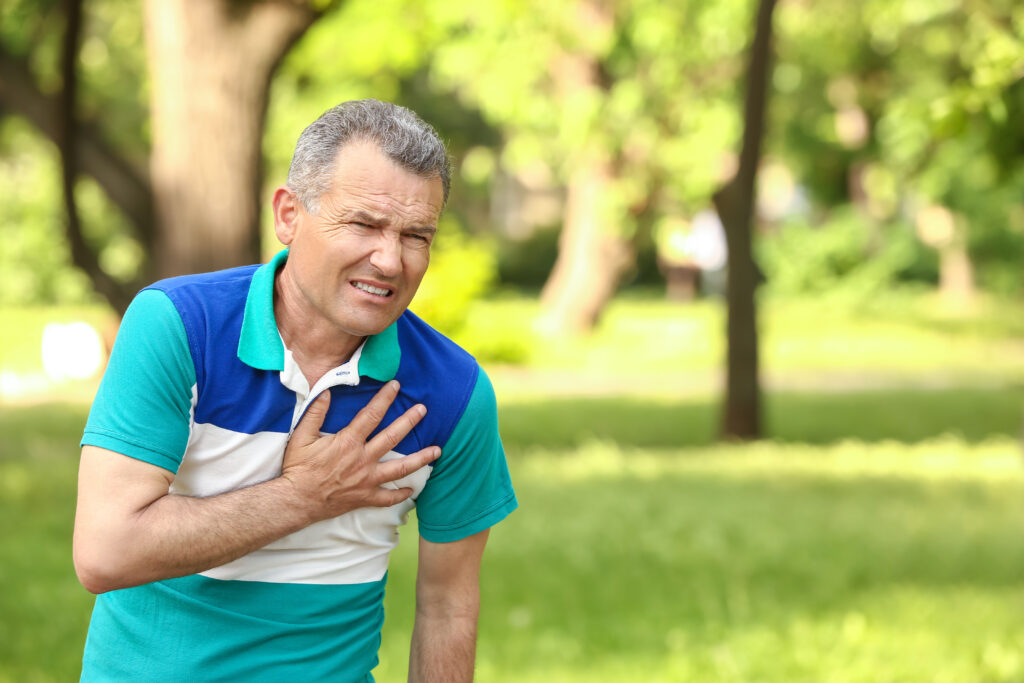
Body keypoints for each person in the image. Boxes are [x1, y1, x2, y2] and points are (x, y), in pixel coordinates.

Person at [73, 99, 517, 682]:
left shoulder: (453, 393)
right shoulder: (180, 326)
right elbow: (105, 551)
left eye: (416, 235)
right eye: (363, 223)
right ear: (289, 215)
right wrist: (305, 496)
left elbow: (448, 605)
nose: (390, 259)